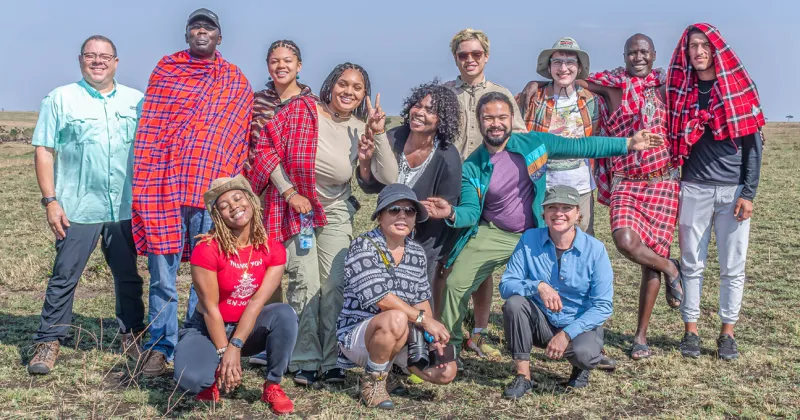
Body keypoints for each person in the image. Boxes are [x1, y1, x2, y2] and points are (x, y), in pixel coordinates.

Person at [422, 92, 662, 363]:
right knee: (455, 283)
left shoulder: (534, 143)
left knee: (569, 281)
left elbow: (580, 146)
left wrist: (628, 143)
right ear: (479, 121)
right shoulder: (473, 165)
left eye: (502, 117)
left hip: (537, 232)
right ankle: (449, 347)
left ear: (512, 118)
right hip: (495, 232)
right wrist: (452, 212)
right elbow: (471, 210)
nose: (496, 124)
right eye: (488, 118)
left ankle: (586, 342)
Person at [248, 63, 398, 386]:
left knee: (333, 285)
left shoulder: (360, 127)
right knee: (304, 282)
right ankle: (305, 357)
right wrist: (289, 192)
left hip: (335, 212)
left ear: (364, 94)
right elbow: (267, 149)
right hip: (295, 208)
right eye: (343, 84)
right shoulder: (301, 111)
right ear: (331, 84)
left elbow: (389, 177)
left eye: (357, 88)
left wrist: (378, 131)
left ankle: (332, 359)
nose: (348, 91)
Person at [132, 8, 254, 376]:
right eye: (195, 27)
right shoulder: (167, 70)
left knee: (207, 274)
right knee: (162, 275)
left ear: (220, 37)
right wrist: (146, 180)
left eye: (208, 28)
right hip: (165, 188)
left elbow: (238, 138)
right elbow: (151, 128)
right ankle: (159, 346)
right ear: (187, 35)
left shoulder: (234, 80)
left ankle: (194, 340)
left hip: (211, 195)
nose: (202, 32)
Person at [27, 35, 146, 375]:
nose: (98, 61)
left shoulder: (136, 101)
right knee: (65, 274)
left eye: (104, 56)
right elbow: (44, 150)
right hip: (77, 208)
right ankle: (49, 340)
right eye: (90, 55)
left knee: (128, 276)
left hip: (124, 207)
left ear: (116, 62)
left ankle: (133, 335)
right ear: (81, 60)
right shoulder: (60, 99)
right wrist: (51, 201)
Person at [667, 23, 764, 360]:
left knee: (732, 265)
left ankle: (727, 334)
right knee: (691, 263)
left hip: (733, 191)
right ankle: (691, 331)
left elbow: (753, 146)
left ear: (716, 49)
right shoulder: (681, 89)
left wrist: (748, 193)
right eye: (692, 46)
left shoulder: (739, 88)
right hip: (694, 187)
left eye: (704, 45)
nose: (698, 51)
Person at [172, 175, 297, 415]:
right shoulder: (206, 249)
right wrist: (224, 352)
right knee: (192, 380)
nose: (234, 206)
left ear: (251, 200)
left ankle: (272, 385)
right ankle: (212, 374)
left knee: (284, 313)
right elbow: (210, 308)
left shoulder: (273, 248)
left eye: (238, 198)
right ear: (218, 215)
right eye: (224, 205)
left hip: (247, 328)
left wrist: (235, 346)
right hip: (207, 328)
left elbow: (256, 302)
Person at [443, 28, 527, 361]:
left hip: (489, 189)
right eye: (463, 54)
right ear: (455, 58)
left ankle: (477, 333)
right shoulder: (445, 93)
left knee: (482, 266)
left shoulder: (500, 93)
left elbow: (519, 138)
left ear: (486, 56)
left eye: (476, 54)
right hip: (450, 187)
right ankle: (444, 334)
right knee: (447, 264)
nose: (470, 59)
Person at [337, 184, 456, 409]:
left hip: (402, 333)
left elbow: (422, 299)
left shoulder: (417, 253)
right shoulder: (363, 245)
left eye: (409, 211)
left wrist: (431, 337)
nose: (402, 216)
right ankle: (373, 381)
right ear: (380, 216)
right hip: (359, 336)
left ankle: (390, 371)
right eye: (394, 210)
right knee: (396, 317)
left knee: (447, 370)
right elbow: (380, 298)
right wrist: (423, 320)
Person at [500, 185, 614, 398]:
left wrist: (566, 334)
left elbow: (603, 306)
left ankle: (581, 366)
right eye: (552, 207)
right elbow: (506, 285)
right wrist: (538, 286)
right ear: (543, 213)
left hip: (577, 325)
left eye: (566, 207)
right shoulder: (529, 239)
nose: (559, 213)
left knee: (585, 354)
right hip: (542, 321)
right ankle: (523, 376)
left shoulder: (596, 249)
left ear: (578, 213)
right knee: (514, 304)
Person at [357, 81, 462, 299]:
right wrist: (365, 162)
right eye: (417, 105)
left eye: (430, 110)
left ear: (442, 119)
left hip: (427, 237)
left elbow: (447, 205)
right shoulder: (393, 138)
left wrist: (420, 212)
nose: (420, 112)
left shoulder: (447, 155)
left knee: (417, 292)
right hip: (390, 229)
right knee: (382, 287)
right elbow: (372, 186)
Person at [247, 39, 316, 367]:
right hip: (261, 194)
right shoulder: (257, 102)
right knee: (265, 268)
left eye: (287, 60)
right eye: (274, 61)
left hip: (299, 196)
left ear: (299, 65)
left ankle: (298, 341)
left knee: (300, 268)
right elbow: (249, 145)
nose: (281, 66)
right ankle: (268, 337)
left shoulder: (312, 104)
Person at [516, 37, 599, 235]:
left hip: (581, 186)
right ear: (549, 67)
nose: (563, 68)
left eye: (570, 62)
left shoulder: (590, 100)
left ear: (579, 68)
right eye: (557, 62)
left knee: (582, 239)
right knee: (544, 239)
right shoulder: (533, 98)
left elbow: (595, 138)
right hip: (544, 185)